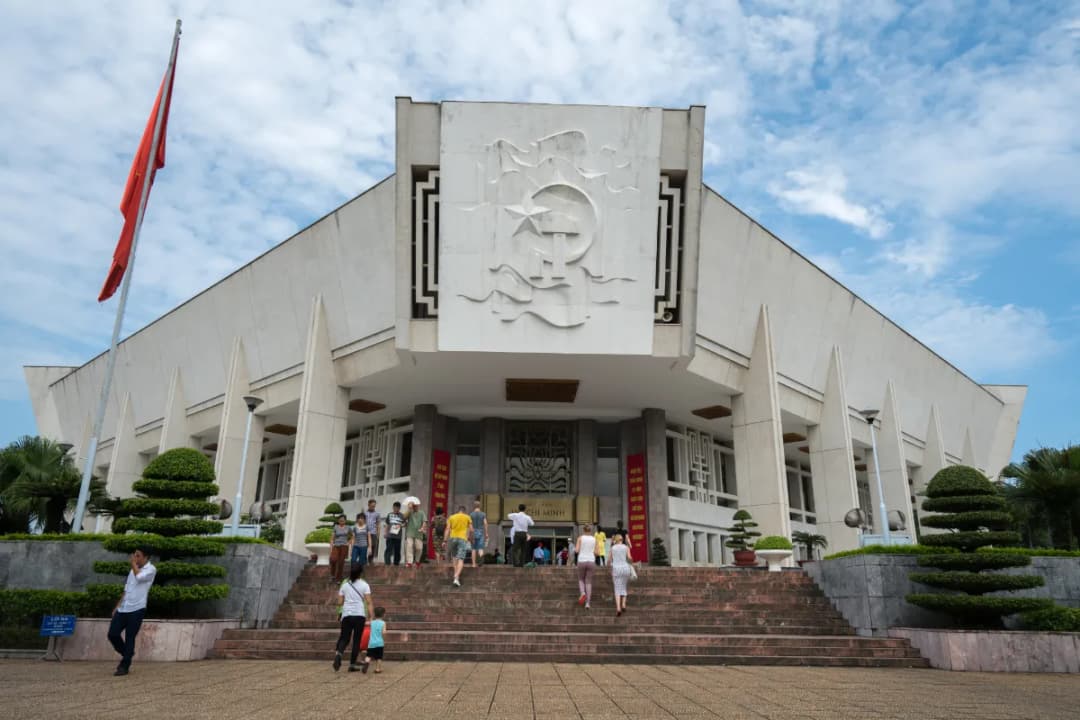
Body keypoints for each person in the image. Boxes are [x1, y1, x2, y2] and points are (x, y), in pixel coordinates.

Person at [107, 547, 156, 676]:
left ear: (146, 558)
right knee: (112, 634)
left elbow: (139, 577)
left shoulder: (151, 570)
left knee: (130, 637)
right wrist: (117, 606)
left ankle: (124, 665)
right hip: (124, 608)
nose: (135, 558)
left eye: (138, 556)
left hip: (137, 609)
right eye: (134, 555)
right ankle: (127, 653)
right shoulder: (132, 570)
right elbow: (127, 589)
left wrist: (133, 564)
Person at [333, 564, 373, 672]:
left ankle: (339, 654)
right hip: (359, 614)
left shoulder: (345, 585)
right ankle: (352, 664)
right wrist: (371, 616)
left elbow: (340, 602)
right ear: (361, 573)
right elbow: (369, 602)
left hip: (346, 614)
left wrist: (339, 612)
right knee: (356, 640)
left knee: (344, 638)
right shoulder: (364, 585)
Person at [446, 504, 473, 586]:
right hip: (462, 539)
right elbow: (471, 530)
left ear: (458, 510)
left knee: (454, 558)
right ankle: (456, 575)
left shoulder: (451, 517)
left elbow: (447, 529)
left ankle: (456, 579)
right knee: (461, 559)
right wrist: (469, 538)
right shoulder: (467, 517)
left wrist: (444, 540)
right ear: (464, 511)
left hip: (452, 538)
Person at [610, 534, 633, 617]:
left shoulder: (613, 548)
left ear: (615, 540)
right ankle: (623, 604)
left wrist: (608, 565)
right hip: (625, 568)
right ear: (622, 540)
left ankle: (618, 608)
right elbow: (630, 558)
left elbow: (609, 560)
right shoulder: (626, 547)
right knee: (624, 587)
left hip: (616, 569)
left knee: (617, 589)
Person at [574, 526, 597, 610]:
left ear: (583, 530)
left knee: (581, 579)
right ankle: (587, 603)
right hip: (591, 560)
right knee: (588, 582)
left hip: (582, 560)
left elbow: (576, 550)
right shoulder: (594, 539)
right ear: (590, 530)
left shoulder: (580, 538)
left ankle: (583, 592)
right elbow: (597, 552)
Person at [363, 606, 387, 674]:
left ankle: (366, 662)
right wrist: (384, 640)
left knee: (368, 655)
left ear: (374, 614)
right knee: (379, 657)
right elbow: (384, 632)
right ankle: (377, 669)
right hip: (380, 643)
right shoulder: (383, 623)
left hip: (371, 643)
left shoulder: (372, 622)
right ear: (383, 614)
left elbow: (365, 623)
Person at [330, 514, 353, 583]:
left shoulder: (348, 527)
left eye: (343, 520)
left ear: (345, 521)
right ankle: (332, 575)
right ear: (338, 521)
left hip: (344, 546)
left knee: (341, 562)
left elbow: (353, 536)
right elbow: (332, 536)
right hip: (336, 545)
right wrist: (331, 543)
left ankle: (338, 579)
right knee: (333, 559)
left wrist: (349, 542)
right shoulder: (336, 527)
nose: (341, 521)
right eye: (340, 520)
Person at [404, 500, 427, 568]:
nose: (415, 507)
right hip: (410, 533)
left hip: (419, 533)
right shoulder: (409, 512)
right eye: (414, 506)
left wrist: (423, 528)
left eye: (416, 505)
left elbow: (424, 521)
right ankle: (409, 562)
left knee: (419, 548)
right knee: (409, 546)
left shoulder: (422, 513)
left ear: (418, 506)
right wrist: (409, 509)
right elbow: (404, 517)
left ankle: (417, 561)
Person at [383, 502, 405, 566]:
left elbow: (405, 524)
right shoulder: (389, 515)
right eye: (395, 508)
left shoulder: (402, 515)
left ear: (399, 508)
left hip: (398, 536)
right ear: (393, 507)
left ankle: (396, 563)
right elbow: (387, 524)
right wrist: (385, 533)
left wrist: (401, 525)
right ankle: (387, 563)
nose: (396, 509)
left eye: (398, 508)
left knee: (397, 550)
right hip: (390, 536)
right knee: (388, 549)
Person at [469, 499, 488, 568]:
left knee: (473, 548)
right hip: (481, 531)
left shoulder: (471, 514)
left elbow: (470, 525)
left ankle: (473, 564)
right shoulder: (483, 514)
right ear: (479, 506)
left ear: (474, 506)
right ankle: (480, 563)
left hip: (473, 531)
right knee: (480, 548)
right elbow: (485, 524)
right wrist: (486, 533)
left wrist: (470, 534)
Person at [364, 499, 381, 565]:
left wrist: (378, 533)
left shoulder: (377, 514)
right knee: (365, 546)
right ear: (368, 505)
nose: (373, 507)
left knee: (373, 546)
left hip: (373, 532)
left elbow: (378, 524)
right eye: (372, 506)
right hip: (365, 532)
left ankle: (370, 560)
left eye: (374, 506)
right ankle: (364, 559)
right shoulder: (365, 513)